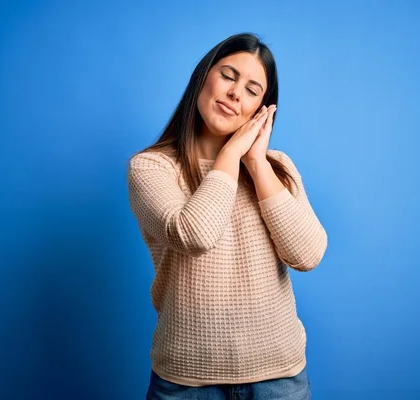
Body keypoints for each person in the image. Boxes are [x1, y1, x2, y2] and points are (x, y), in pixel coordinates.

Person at [127, 32, 327, 400]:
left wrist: (255, 163)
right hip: (185, 383)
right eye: (228, 75)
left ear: (262, 110)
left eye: (253, 90)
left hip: (279, 380)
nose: (236, 93)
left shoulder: (277, 168)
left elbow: (308, 254)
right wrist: (231, 155)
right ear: (202, 77)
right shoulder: (151, 168)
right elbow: (195, 234)